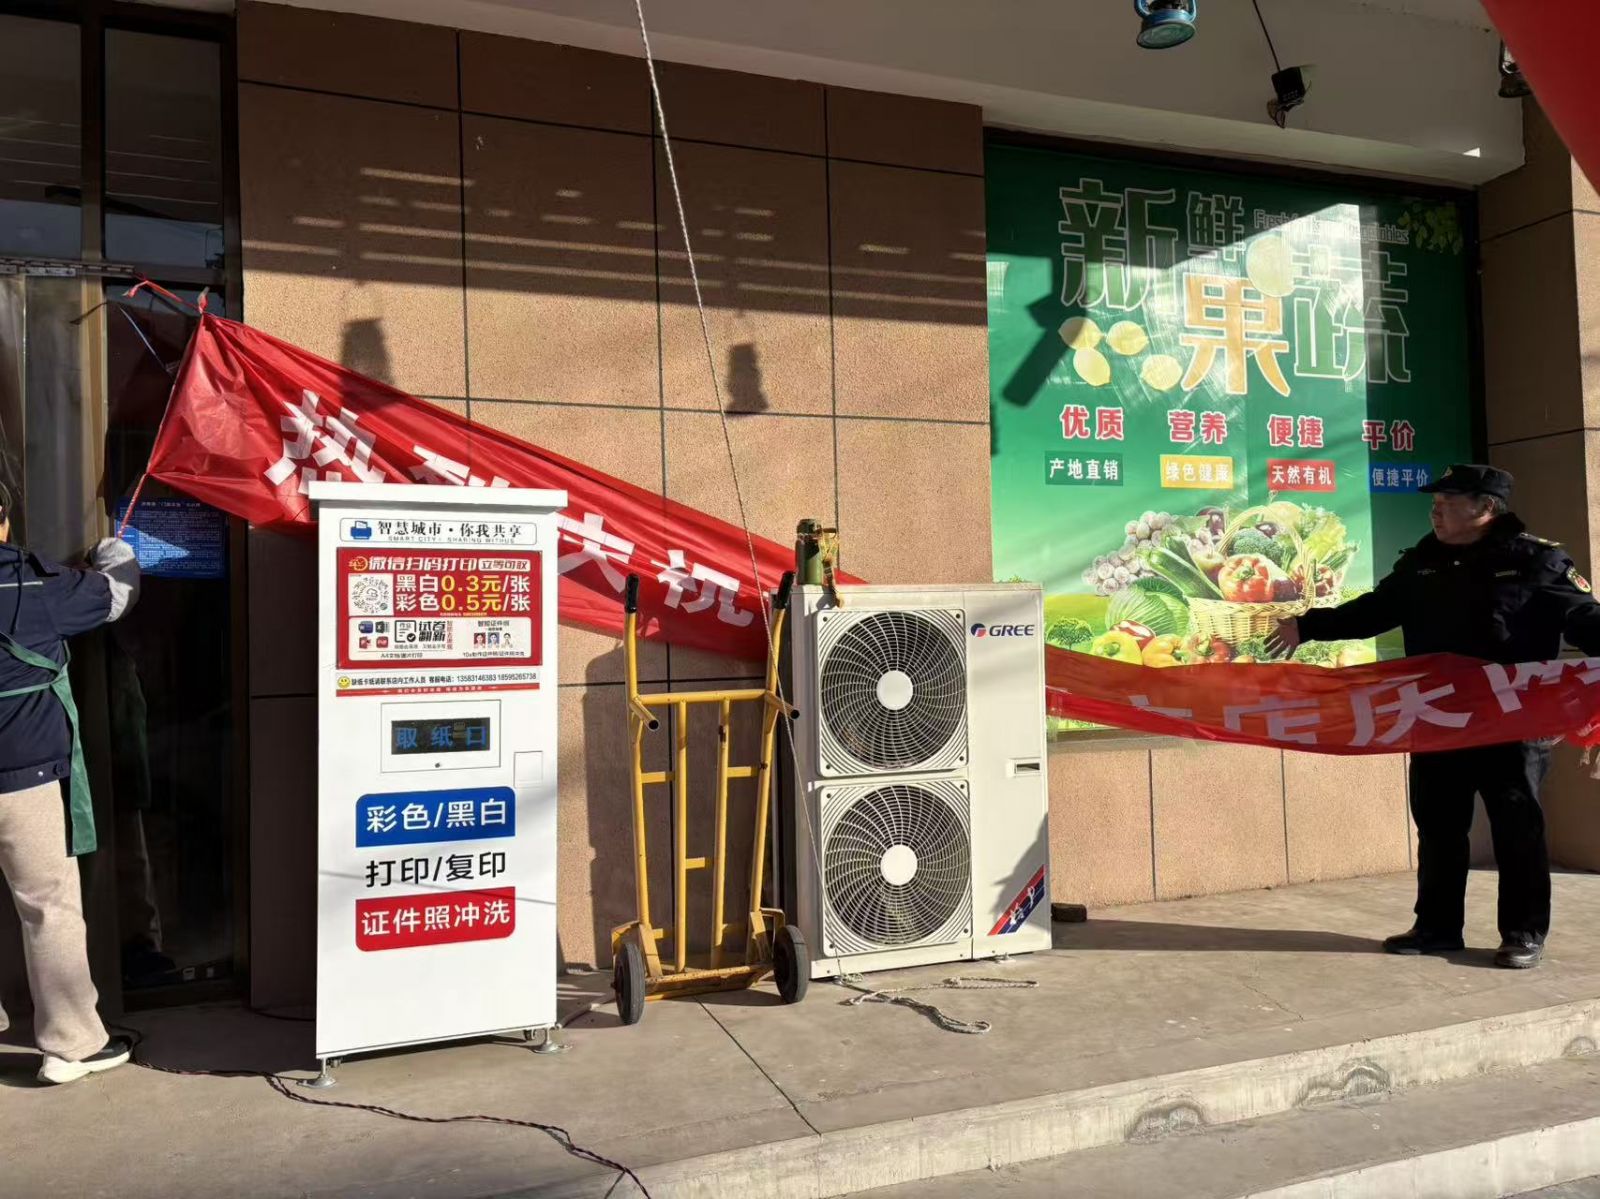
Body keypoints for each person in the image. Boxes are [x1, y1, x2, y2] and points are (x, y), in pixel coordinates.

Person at [1276, 465, 1600, 970]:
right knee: (1439, 825)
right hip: (1437, 718)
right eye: (1435, 501)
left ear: (1485, 508)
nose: (1435, 509)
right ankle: (1436, 927)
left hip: (1510, 723)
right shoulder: (1423, 562)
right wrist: (1308, 625)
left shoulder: (1535, 561)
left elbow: (1585, 620)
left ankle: (1522, 933)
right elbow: (1375, 610)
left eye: (1448, 501)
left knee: (1518, 829)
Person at [0, 482, 142, 1083]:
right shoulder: (30, 587)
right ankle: (72, 1045)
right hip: (23, 779)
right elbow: (117, 595)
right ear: (3, 520)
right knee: (49, 907)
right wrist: (113, 550)